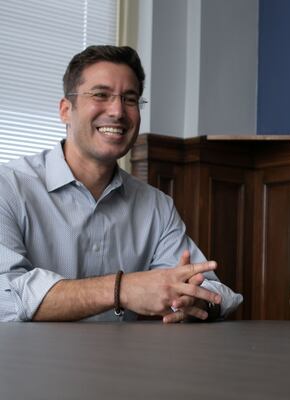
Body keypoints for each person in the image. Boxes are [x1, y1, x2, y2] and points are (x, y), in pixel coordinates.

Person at [0, 45, 242, 322]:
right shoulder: (8, 187)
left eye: (129, 99)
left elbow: (216, 291)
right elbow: (4, 298)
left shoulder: (156, 207)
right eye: (101, 95)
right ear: (66, 110)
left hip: (125, 364)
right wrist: (121, 289)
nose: (117, 111)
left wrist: (191, 300)